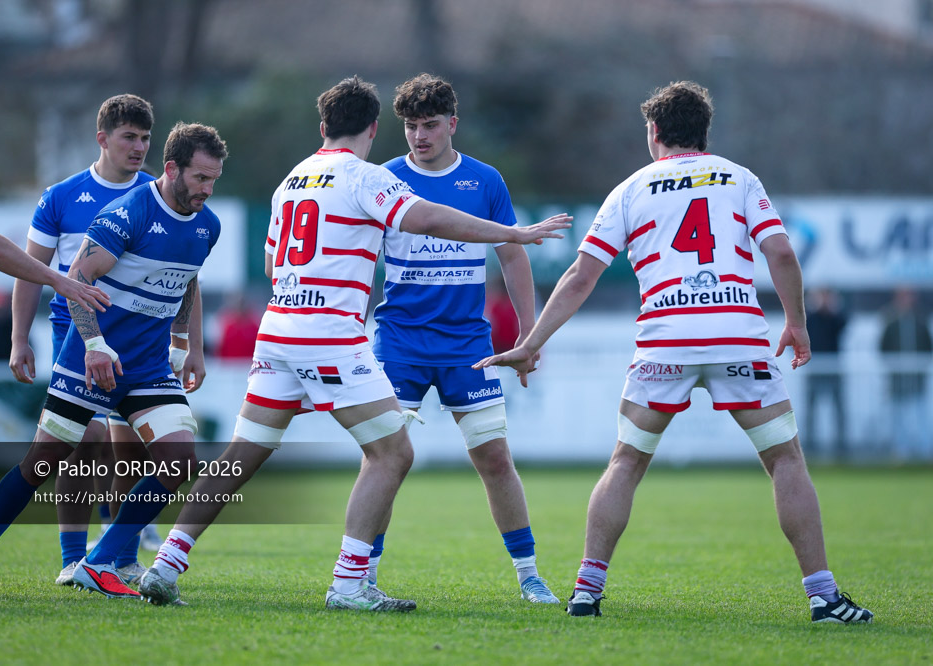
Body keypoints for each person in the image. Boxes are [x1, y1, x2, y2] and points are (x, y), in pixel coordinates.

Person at [135, 75, 571, 610]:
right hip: (329, 335)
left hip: (279, 329)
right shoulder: (367, 177)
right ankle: (349, 584)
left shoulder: (292, 178)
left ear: (323, 125)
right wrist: (512, 232)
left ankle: (165, 564)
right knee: (392, 452)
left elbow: (272, 263)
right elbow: (426, 217)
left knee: (243, 453)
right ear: (374, 128)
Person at [477, 81, 873, 624]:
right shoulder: (738, 177)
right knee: (785, 460)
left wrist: (530, 344)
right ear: (704, 132)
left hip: (667, 340)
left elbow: (581, 276)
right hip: (737, 335)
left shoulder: (631, 189)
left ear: (654, 131)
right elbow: (781, 252)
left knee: (626, 462)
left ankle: (587, 591)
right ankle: (824, 597)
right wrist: (797, 325)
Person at [0, 121, 226, 600]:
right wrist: (95, 344)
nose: (207, 189)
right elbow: (78, 280)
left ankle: (98, 563)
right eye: (200, 178)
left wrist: (183, 342)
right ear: (172, 169)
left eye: (214, 180)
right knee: (41, 464)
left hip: (146, 367)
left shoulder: (209, 225)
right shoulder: (127, 212)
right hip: (89, 359)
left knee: (179, 460)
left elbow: (186, 280)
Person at [369, 73, 559, 604]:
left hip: (466, 345)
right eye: (410, 126)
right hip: (399, 342)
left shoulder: (484, 180)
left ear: (452, 123)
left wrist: (529, 333)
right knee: (383, 459)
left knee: (494, 458)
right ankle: (363, 573)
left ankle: (529, 576)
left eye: (430, 125)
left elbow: (512, 254)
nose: (419, 136)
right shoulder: (383, 179)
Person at [0, 68, 108, 605]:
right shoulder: (63, 197)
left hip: (132, 354)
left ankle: (110, 553)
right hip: (81, 347)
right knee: (66, 447)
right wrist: (59, 282)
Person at [8, 94, 169, 587]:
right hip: (76, 334)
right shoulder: (61, 196)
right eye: (129, 137)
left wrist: (190, 345)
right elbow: (30, 271)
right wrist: (19, 338)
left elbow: (185, 278)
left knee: (132, 448)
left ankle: (119, 556)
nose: (139, 147)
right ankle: (72, 558)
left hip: (138, 337)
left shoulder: (158, 194)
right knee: (86, 438)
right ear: (102, 138)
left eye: (146, 138)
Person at [878, 287, 932, 461]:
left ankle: (925, 450)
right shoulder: (890, 320)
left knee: (920, 413)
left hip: (916, 378)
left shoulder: (920, 319)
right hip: (897, 379)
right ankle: (901, 450)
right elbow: (883, 347)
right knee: (898, 416)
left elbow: (928, 346)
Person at [803, 287, 847, 458]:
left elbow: (843, 324)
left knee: (839, 409)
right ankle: (810, 445)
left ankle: (841, 445)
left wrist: (832, 308)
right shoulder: (810, 319)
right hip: (814, 369)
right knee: (811, 409)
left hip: (834, 369)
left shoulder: (835, 318)